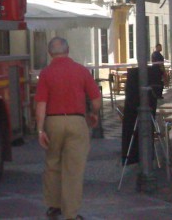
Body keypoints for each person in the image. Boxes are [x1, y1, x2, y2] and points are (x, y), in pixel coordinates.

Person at [35, 37, 101, 220]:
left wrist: (40, 129)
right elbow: (96, 99)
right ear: (68, 50)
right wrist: (94, 114)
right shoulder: (81, 71)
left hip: (53, 122)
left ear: (50, 54)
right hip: (77, 121)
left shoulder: (46, 73)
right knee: (74, 168)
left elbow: (41, 104)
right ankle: (71, 214)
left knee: (52, 163)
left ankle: (53, 206)